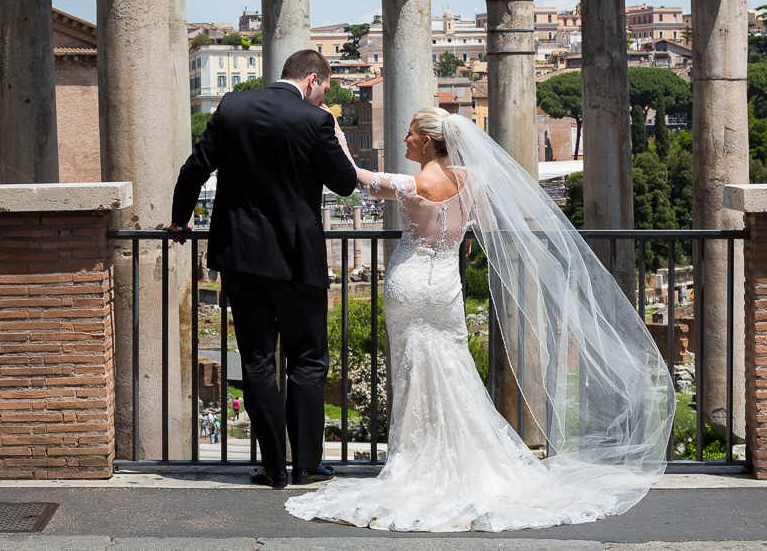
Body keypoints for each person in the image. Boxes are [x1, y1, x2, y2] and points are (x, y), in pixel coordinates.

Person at [285, 107, 675, 532]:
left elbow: (358, 180)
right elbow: (484, 221)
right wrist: (461, 232)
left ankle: (417, 459)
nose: (405, 140)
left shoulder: (415, 184)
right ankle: (463, 458)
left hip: (411, 284)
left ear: (429, 142)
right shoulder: (473, 181)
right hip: (446, 287)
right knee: (452, 368)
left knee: (415, 370)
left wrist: (337, 136)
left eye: (411, 134)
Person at [167, 50, 357, 489]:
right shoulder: (315, 120)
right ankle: (306, 465)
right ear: (313, 79)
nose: (323, 95)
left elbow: (194, 169)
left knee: (256, 360)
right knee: (307, 359)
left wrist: (180, 221)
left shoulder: (232, 106)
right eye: (325, 88)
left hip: (240, 257)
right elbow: (344, 184)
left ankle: (273, 468)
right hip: (295, 260)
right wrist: (334, 131)